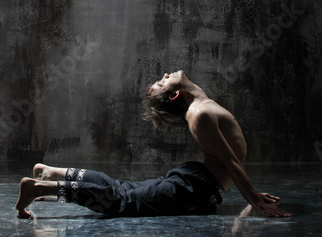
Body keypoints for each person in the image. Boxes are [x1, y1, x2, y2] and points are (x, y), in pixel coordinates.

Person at [15, 70, 292, 219]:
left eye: (161, 80)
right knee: (120, 200)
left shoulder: (200, 104)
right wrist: (254, 199)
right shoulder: (199, 113)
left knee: (121, 190)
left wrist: (253, 194)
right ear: (174, 95)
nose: (165, 75)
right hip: (194, 187)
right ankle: (40, 186)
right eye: (162, 82)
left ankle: (52, 173)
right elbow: (231, 162)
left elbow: (230, 161)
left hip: (195, 181)